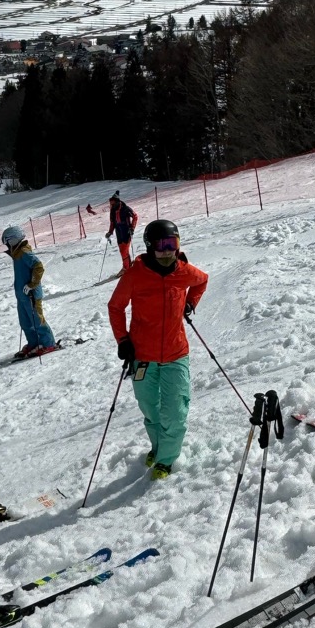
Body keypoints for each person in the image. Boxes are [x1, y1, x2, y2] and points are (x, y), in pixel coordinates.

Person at [108, 219, 208, 481]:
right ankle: (158, 446)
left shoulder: (184, 271)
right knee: (150, 409)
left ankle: (165, 460)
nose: (167, 251)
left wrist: (190, 303)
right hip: (142, 355)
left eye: (172, 244)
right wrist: (123, 340)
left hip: (176, 353)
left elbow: (202, 281)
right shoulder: (135, 275)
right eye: (160, 245)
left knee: (175, 411)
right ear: (149, 246)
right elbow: (115, 307)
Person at [1, 226, 57, 357]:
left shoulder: (24, 252)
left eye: (6, 241)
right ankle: (34, 343)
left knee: (37, 320)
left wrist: (32, 284)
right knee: (25, 322)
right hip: (22, 295)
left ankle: (48, 343)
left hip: (31, 294)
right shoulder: (17, 253)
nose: (6, 245)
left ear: (13, 239)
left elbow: (39, 266)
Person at [106, 190, 139, 269]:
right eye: (111, 204)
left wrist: (132, 228)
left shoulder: (125, 208)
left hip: (126, 230)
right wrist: (110, 232)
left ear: (118, 202)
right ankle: (128, 266)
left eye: (113, 204)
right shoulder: (112, 210)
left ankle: (126, 268)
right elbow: (112, 222)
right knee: (122, 250)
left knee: (124, 250)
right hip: (118, 231)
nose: (112, 206)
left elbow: (135, 216)